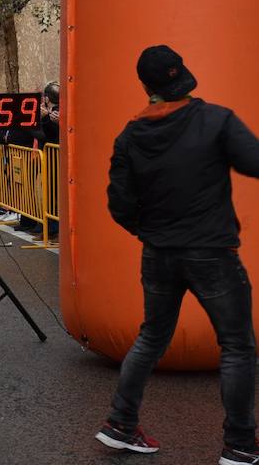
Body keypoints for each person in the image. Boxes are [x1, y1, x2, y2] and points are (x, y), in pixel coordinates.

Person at [96, 45, 259, 465]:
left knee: (151, 337)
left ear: (147, 86)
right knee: (238, 346)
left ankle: (120, 423)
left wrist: (149, 232)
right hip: (212, 253)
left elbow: (119, 205)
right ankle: (240, 445)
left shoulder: (130, 135)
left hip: (159, 253)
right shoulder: (215, 120)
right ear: (182, 76)